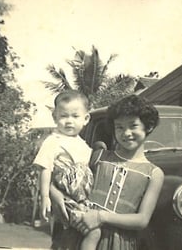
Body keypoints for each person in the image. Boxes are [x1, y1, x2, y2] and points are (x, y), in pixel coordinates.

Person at [50, 94, 165, 250]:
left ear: (148, 126)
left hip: (119, 243)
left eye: (133, 126)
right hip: (80, 236)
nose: (126, 133)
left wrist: (101, 216)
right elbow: (63, 179)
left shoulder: (154, 174)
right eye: (120, 127)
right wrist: (54, 193)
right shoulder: (98, 157)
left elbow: (142, 220)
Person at [33, 90, 104, 250]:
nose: (69, 121)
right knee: (93, 232)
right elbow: (45, 169)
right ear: (55, 117)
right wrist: (45, 196)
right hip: (67, 199)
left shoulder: (83, 145)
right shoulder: (53, 141)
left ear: (86, 119)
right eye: (64, 116)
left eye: (75, 116)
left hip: (83, 199)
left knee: (70, 239)